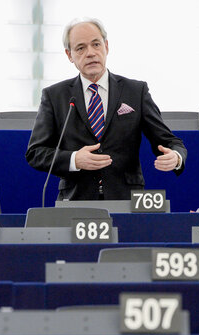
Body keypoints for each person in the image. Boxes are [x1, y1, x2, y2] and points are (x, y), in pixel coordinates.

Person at [25, 17, 187, 201]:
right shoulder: (55, 96)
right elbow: (35, 153)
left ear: (106, 46)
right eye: (80, 48)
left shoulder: (136, 91)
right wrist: (74, 159)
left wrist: (175, 157)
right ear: (69, 55)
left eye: (96, 44)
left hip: (127, 199)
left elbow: (169, 141)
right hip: (76, 199)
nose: (91, 53)